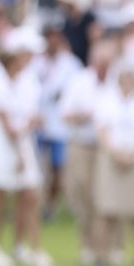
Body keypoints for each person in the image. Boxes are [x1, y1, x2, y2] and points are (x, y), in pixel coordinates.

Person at [0, 30, 50, 266]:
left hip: (23, 142)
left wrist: (26, 136)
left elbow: (30, 116)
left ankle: (24, 248)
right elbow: (6, 122)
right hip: (1, 143)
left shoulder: (29, 79)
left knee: (29, 195)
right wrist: (24, 136)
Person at [93, 62, 134, 266]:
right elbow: (102, 130)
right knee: (106, 209)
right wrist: (116, 153)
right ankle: (102, 255)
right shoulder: (107, 101)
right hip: (112, 159)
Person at [59, 38, 113, 266]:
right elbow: (66, 113)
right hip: (82, 144)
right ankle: (87, 245)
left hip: (108, 148)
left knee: (106, 197)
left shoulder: (117, 82)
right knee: (83, 194)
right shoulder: (79, 81)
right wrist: (84, 117)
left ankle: (108, 247)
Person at [33, 24, 82, 221]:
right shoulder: (36, 62)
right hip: (38, 124)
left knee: (58, 169)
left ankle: (50, 206)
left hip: (60, 126)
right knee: (36, 169)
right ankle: (36, 205)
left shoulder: (71, 64)